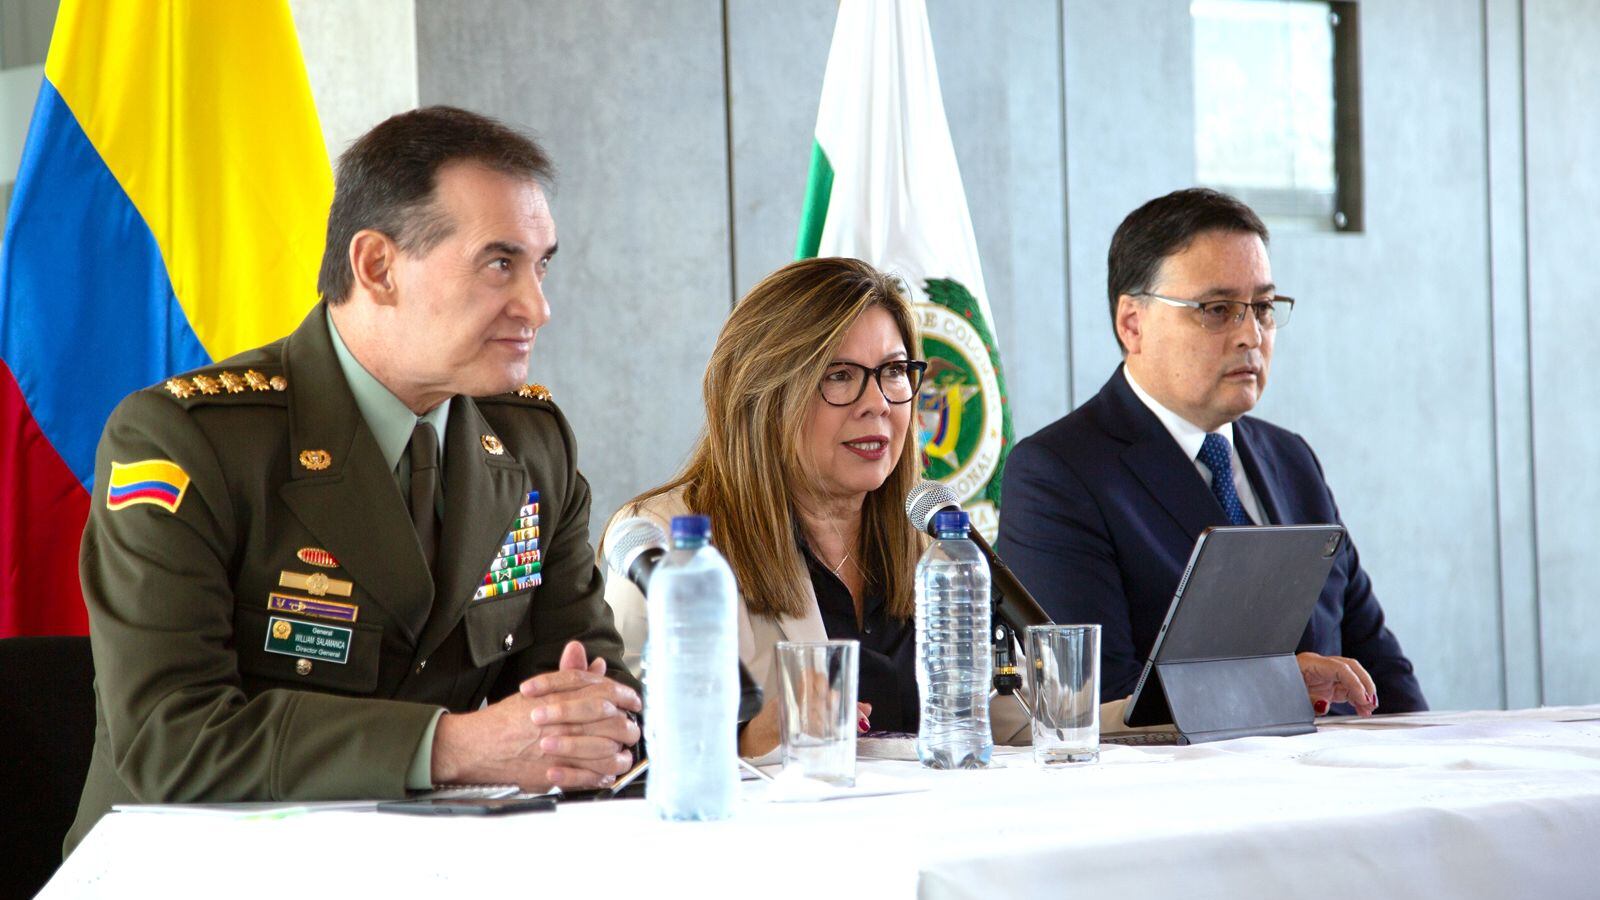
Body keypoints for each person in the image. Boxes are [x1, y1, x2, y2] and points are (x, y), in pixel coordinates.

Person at [67, 106, 640, 853]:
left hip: (447, 865)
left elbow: (597, 686)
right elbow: (171, 738)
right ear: (377, 267)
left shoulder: (531, 444)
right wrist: (450, 746)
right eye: (500, 262)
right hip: (200, 869)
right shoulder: (187, 439)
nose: (538, 306)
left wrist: (597, 725)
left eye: (542, 264)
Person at [996, 188, 1426, 716]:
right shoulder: (1058, 474)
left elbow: (1380, 669)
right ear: (1132, 324)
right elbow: (1098, 704)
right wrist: (1276, 685)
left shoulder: (1292, 461)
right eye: (1218, 310)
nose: (1251, 335)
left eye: (1263, 308)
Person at [602, 257, 1026, 760]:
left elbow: (1016, 725)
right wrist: (751, 741)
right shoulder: (667, 543)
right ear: (763, 397)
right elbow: (626, 748)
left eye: (893, 371)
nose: (879, 405)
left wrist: (1129, 716)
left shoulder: (933, 536)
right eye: (841, 375)